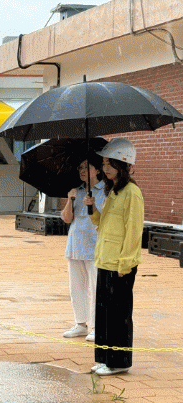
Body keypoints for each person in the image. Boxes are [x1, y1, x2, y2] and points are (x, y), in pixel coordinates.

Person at [83, 138, 144, 376]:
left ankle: (119, 362)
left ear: (123, 164)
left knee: (119, 315)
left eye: (110, 163)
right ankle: (104, 359)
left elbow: (133, 231)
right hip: (105, 260)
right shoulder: (114, 191)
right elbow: (103, 224)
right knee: (104, 313)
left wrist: (125, 264)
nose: (105, 168)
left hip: (120, 264)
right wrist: (91, 207)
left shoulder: (132, 193)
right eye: (104, 163)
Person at [60, 152, 106, 342]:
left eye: (87, 167)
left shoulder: (105, 190)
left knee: (96, 288)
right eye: (80, 167)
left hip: (94, 244)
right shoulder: (76, 191)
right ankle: (80, 324)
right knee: (76, 288)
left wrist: (92, 204)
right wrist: (70, 200)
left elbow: (104, 217)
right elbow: (66, 219)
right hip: (75, 245)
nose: (82, 171)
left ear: (97, 170)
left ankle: (97, 326)